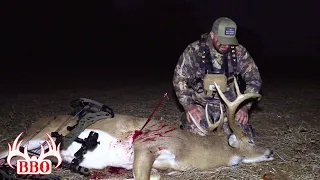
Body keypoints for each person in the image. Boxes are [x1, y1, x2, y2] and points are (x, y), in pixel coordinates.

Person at [172, 17, 262, 138]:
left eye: (229, 40)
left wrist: (245, 107)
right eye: (222, 40)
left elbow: (254, 79)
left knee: (241, 138)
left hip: (229, 108)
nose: (226, 44)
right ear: (212, 35)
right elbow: (179, 79)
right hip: (200, 105)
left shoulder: (240, 52)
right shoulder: (193, 51)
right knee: (195, 136)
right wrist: (189, 105)